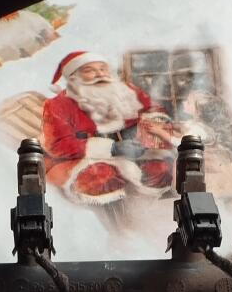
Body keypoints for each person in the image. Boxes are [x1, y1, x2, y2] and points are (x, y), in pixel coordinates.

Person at [41, 51, 176, 206]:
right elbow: (58, 145)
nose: (100, 74)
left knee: (161, 169)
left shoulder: (127, 91)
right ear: (73, 77)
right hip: (90, 160)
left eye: (103, 69)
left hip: (137, 150)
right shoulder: (57, 105)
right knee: (102, 177)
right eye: (90, 70)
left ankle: (152, 206)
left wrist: (147, 131)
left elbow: (153, 109)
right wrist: (111, 148)